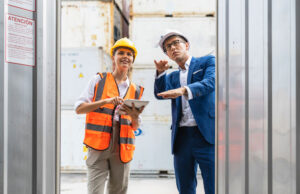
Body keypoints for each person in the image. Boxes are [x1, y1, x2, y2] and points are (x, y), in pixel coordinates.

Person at [75, 38, 145, 194]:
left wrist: (134, 117)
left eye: (129, 54)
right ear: (114, 57)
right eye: (121, 53)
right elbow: (79, 109)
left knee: (118, 191)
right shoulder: (98, 80)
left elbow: (135, 126)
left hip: (122, 147)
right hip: (98, 145)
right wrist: (104, 101)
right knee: (95, 191)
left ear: (133, 60)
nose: (125, 56)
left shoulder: (136, 90)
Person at [154, 30, 215, 194]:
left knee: (214, 185)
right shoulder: (173, 77)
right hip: (182, 138)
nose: (172, 47)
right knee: (185, 187)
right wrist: (160, 73)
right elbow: (160, 95)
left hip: (206, 135)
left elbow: (211, 82)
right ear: (167, 54)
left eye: (176, 43)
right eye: (168, 47)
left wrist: (183, 90)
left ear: (186, 45)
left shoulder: (207, 62)